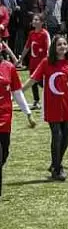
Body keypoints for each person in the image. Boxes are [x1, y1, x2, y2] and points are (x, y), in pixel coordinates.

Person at [25, 35, 68, 181]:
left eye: (64, 44)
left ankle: (56, 163)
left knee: (67, 135)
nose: (62, 47)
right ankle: (56, 169)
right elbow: (34, 79)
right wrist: (19, 91)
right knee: (57, 135)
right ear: (54, 48)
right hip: (51, 106)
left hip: (65, 106)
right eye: (59, 44)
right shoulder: (46, 62)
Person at [0, 43, 32, 197]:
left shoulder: (9, 67)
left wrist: (28, 113)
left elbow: (17, 92)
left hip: (5, 117)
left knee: (5, 152)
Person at [19, 13, 49, 110]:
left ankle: (51, 95)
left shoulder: (45, 34)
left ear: (42, 22)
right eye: (34, 20)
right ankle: (36, 101)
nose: (34, 21)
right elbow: (27, 47)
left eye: (37, 20)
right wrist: (21, 59)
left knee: (41, 82)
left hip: (42, 63)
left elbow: (48, 48)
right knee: (33, 82)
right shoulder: (31, 33)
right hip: (33, 62)